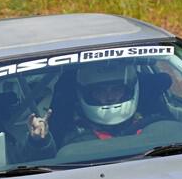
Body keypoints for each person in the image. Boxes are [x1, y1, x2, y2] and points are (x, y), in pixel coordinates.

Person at [25, 60, 164, 153]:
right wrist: (38, 142)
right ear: (86, 94)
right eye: (100, 91)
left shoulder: (155, 125)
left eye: (116, 89)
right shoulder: (75, 141)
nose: (109, 97)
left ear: (129, 90)